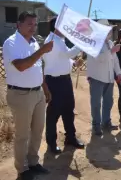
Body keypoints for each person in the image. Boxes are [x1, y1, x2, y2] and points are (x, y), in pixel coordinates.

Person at [2, 11, 53, 180]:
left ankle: (33, 162)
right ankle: (22, 169)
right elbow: (21, 66)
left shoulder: (34, 43)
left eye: (35, 24)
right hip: (20, 94)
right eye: (29, 23)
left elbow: (38, 68)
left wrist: (45, 89)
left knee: (37, 131)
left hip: (37, 92)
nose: (33, 27)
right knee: (23, 134)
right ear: (19, 25)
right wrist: (42, 51)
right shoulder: (11, 43)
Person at [42, 17, 85, 154]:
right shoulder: (52, 40)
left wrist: (73, 63)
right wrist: (81, 43)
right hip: (55, 82)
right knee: (53, 114)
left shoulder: (59, 40)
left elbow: (63, 58)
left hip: (65, 81)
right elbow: (68, 54)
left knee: (68, 110)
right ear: (57, 26)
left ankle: (70, 137)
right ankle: (51, 143)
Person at [86, 21, 121, 136]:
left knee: (108, 102)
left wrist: (119, 72)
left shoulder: (110, 43)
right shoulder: (93, 43)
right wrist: (111, 51)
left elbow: (115, 60)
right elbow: (98, 58)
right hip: (97, 77)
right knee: (96, 103)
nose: (110, 32)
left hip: (109, 78)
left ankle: (106, 122)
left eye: (110, 30)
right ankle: (96, 125)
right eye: (108, 29)